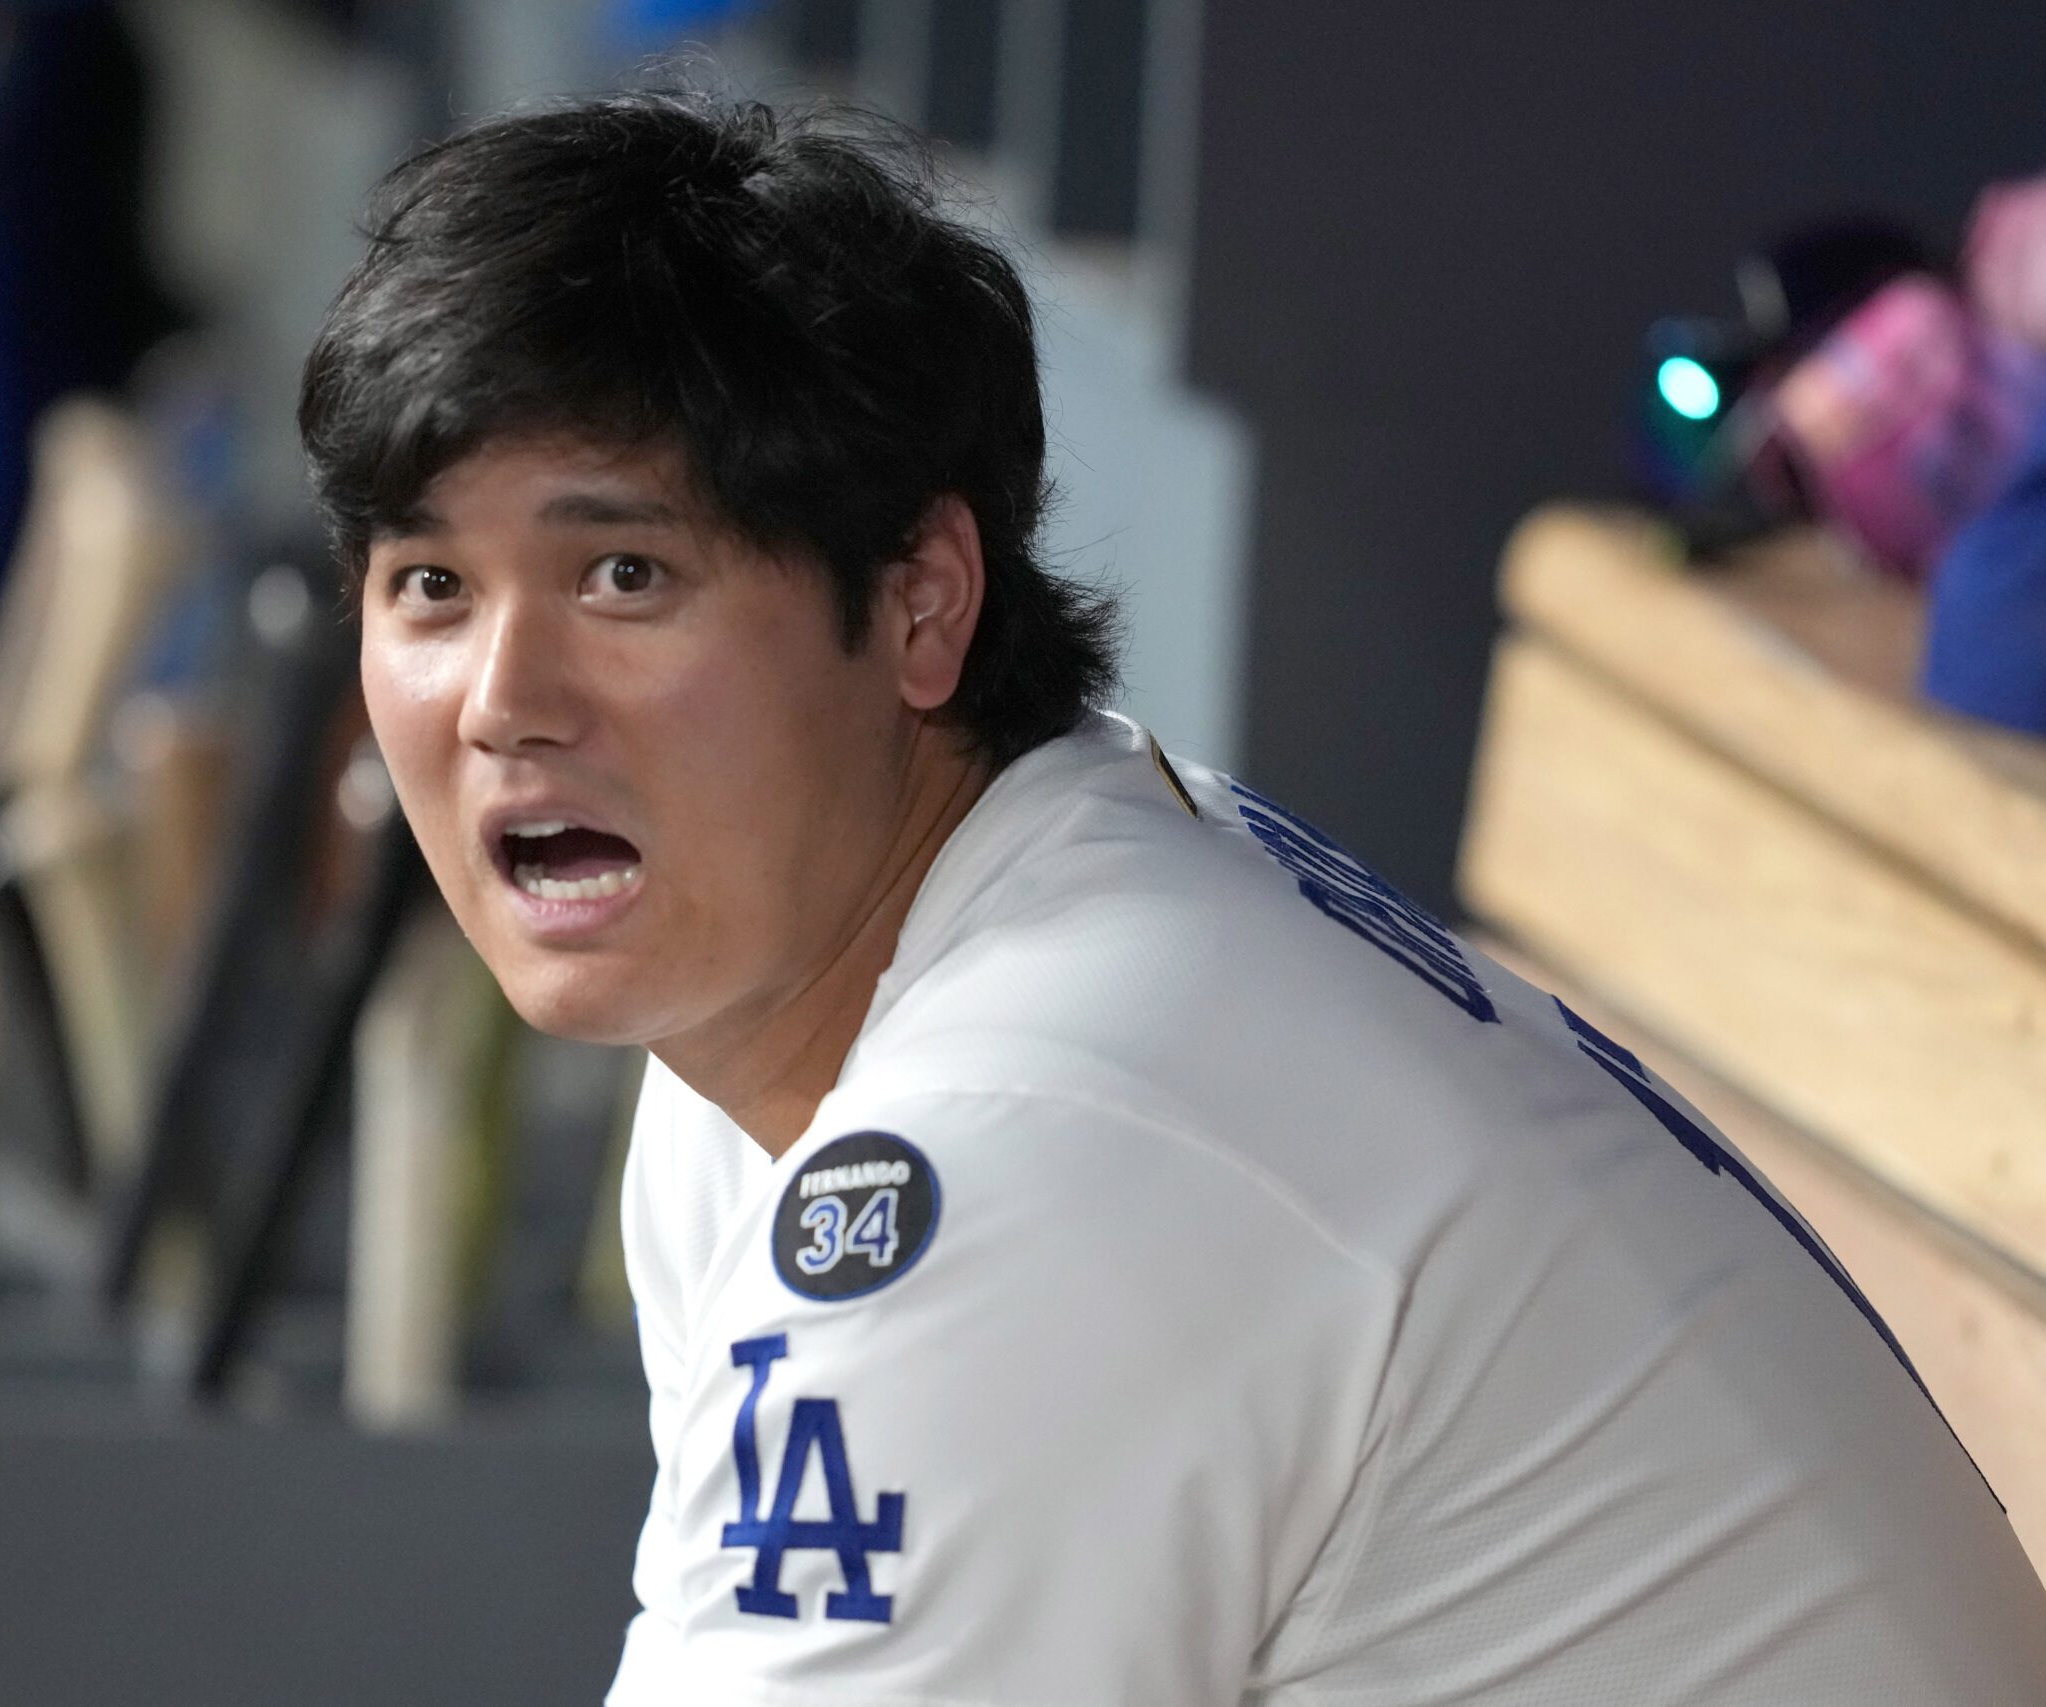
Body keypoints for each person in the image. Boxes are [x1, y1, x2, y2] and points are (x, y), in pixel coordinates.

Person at [298, 87, 2046, 1704]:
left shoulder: (1020, 1147)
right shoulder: (850, 1022)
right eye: (432, 585)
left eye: (624, 573)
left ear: (922, 605)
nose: (504, 697)